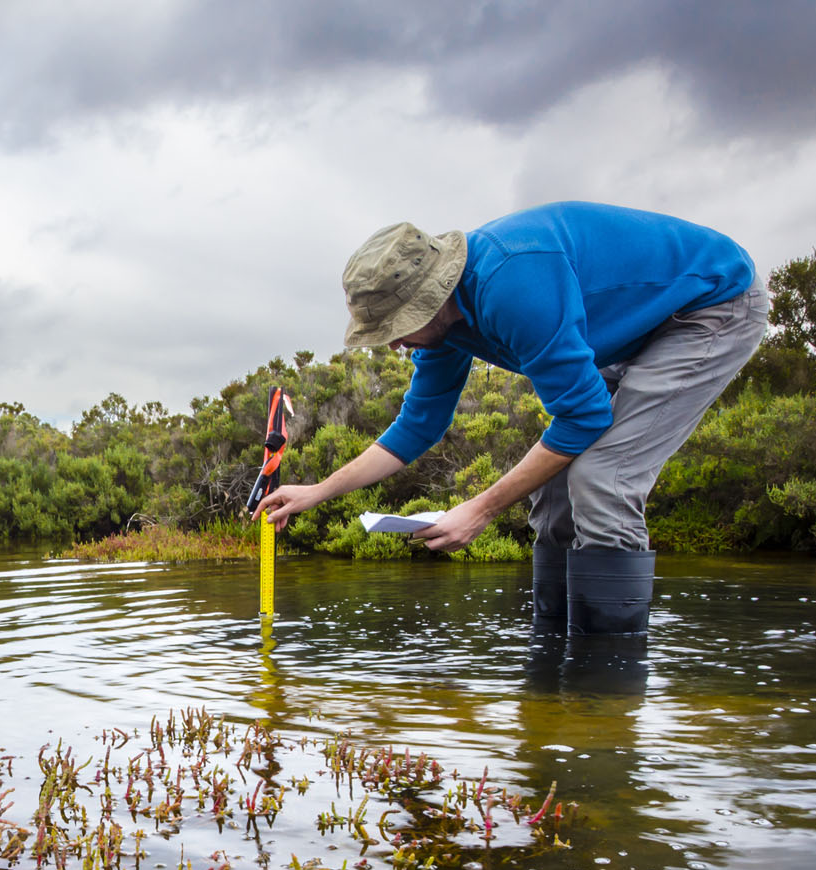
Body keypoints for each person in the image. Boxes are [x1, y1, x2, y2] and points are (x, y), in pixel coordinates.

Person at [252, 201, 769, 635]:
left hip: (709, 307)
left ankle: (605, 692)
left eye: (398, 325)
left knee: (600, 477)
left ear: (434, 298)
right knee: (556, 487)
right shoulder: (445, 328)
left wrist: (480, 509)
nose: (393, 341)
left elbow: (584, 418)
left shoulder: (513, 285)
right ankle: (552, 668)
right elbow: (419, 425)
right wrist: (318, 491)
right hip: (631, 330)